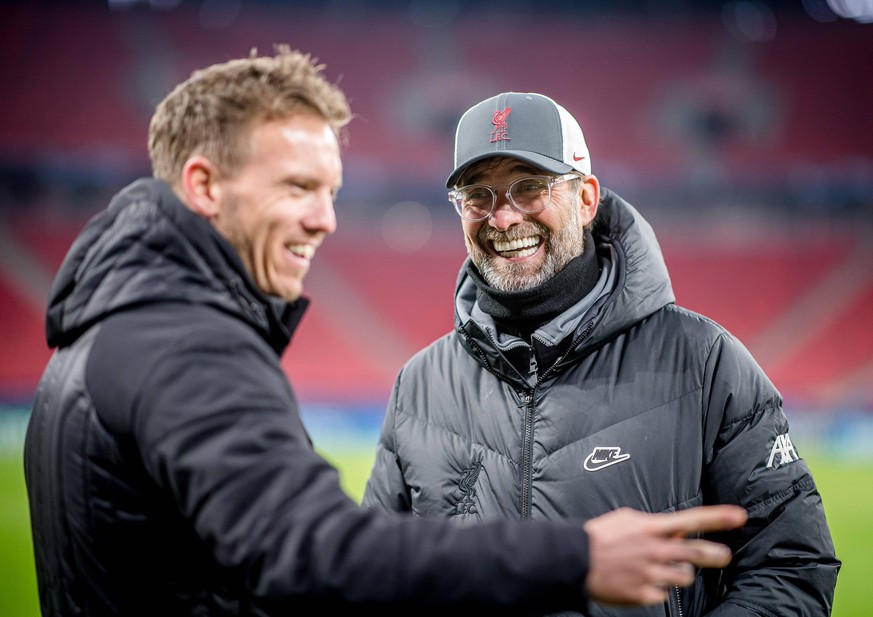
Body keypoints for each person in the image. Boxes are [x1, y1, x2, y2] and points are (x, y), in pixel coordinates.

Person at [22, 49, 748, 617]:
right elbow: (320, 552)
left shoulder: (102, 334)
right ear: (207, 186)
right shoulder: (187, 345)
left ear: (586, 198)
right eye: (296, 187)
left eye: (329, 191)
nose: (324, 218)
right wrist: (574, 558)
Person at [362, 91, 841, 615]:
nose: (502, 219)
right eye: (479, 196)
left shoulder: (704, 363)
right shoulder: (419, 385)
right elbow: (377, 577)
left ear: (586, 199)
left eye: (529, 188)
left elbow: (790, 567)